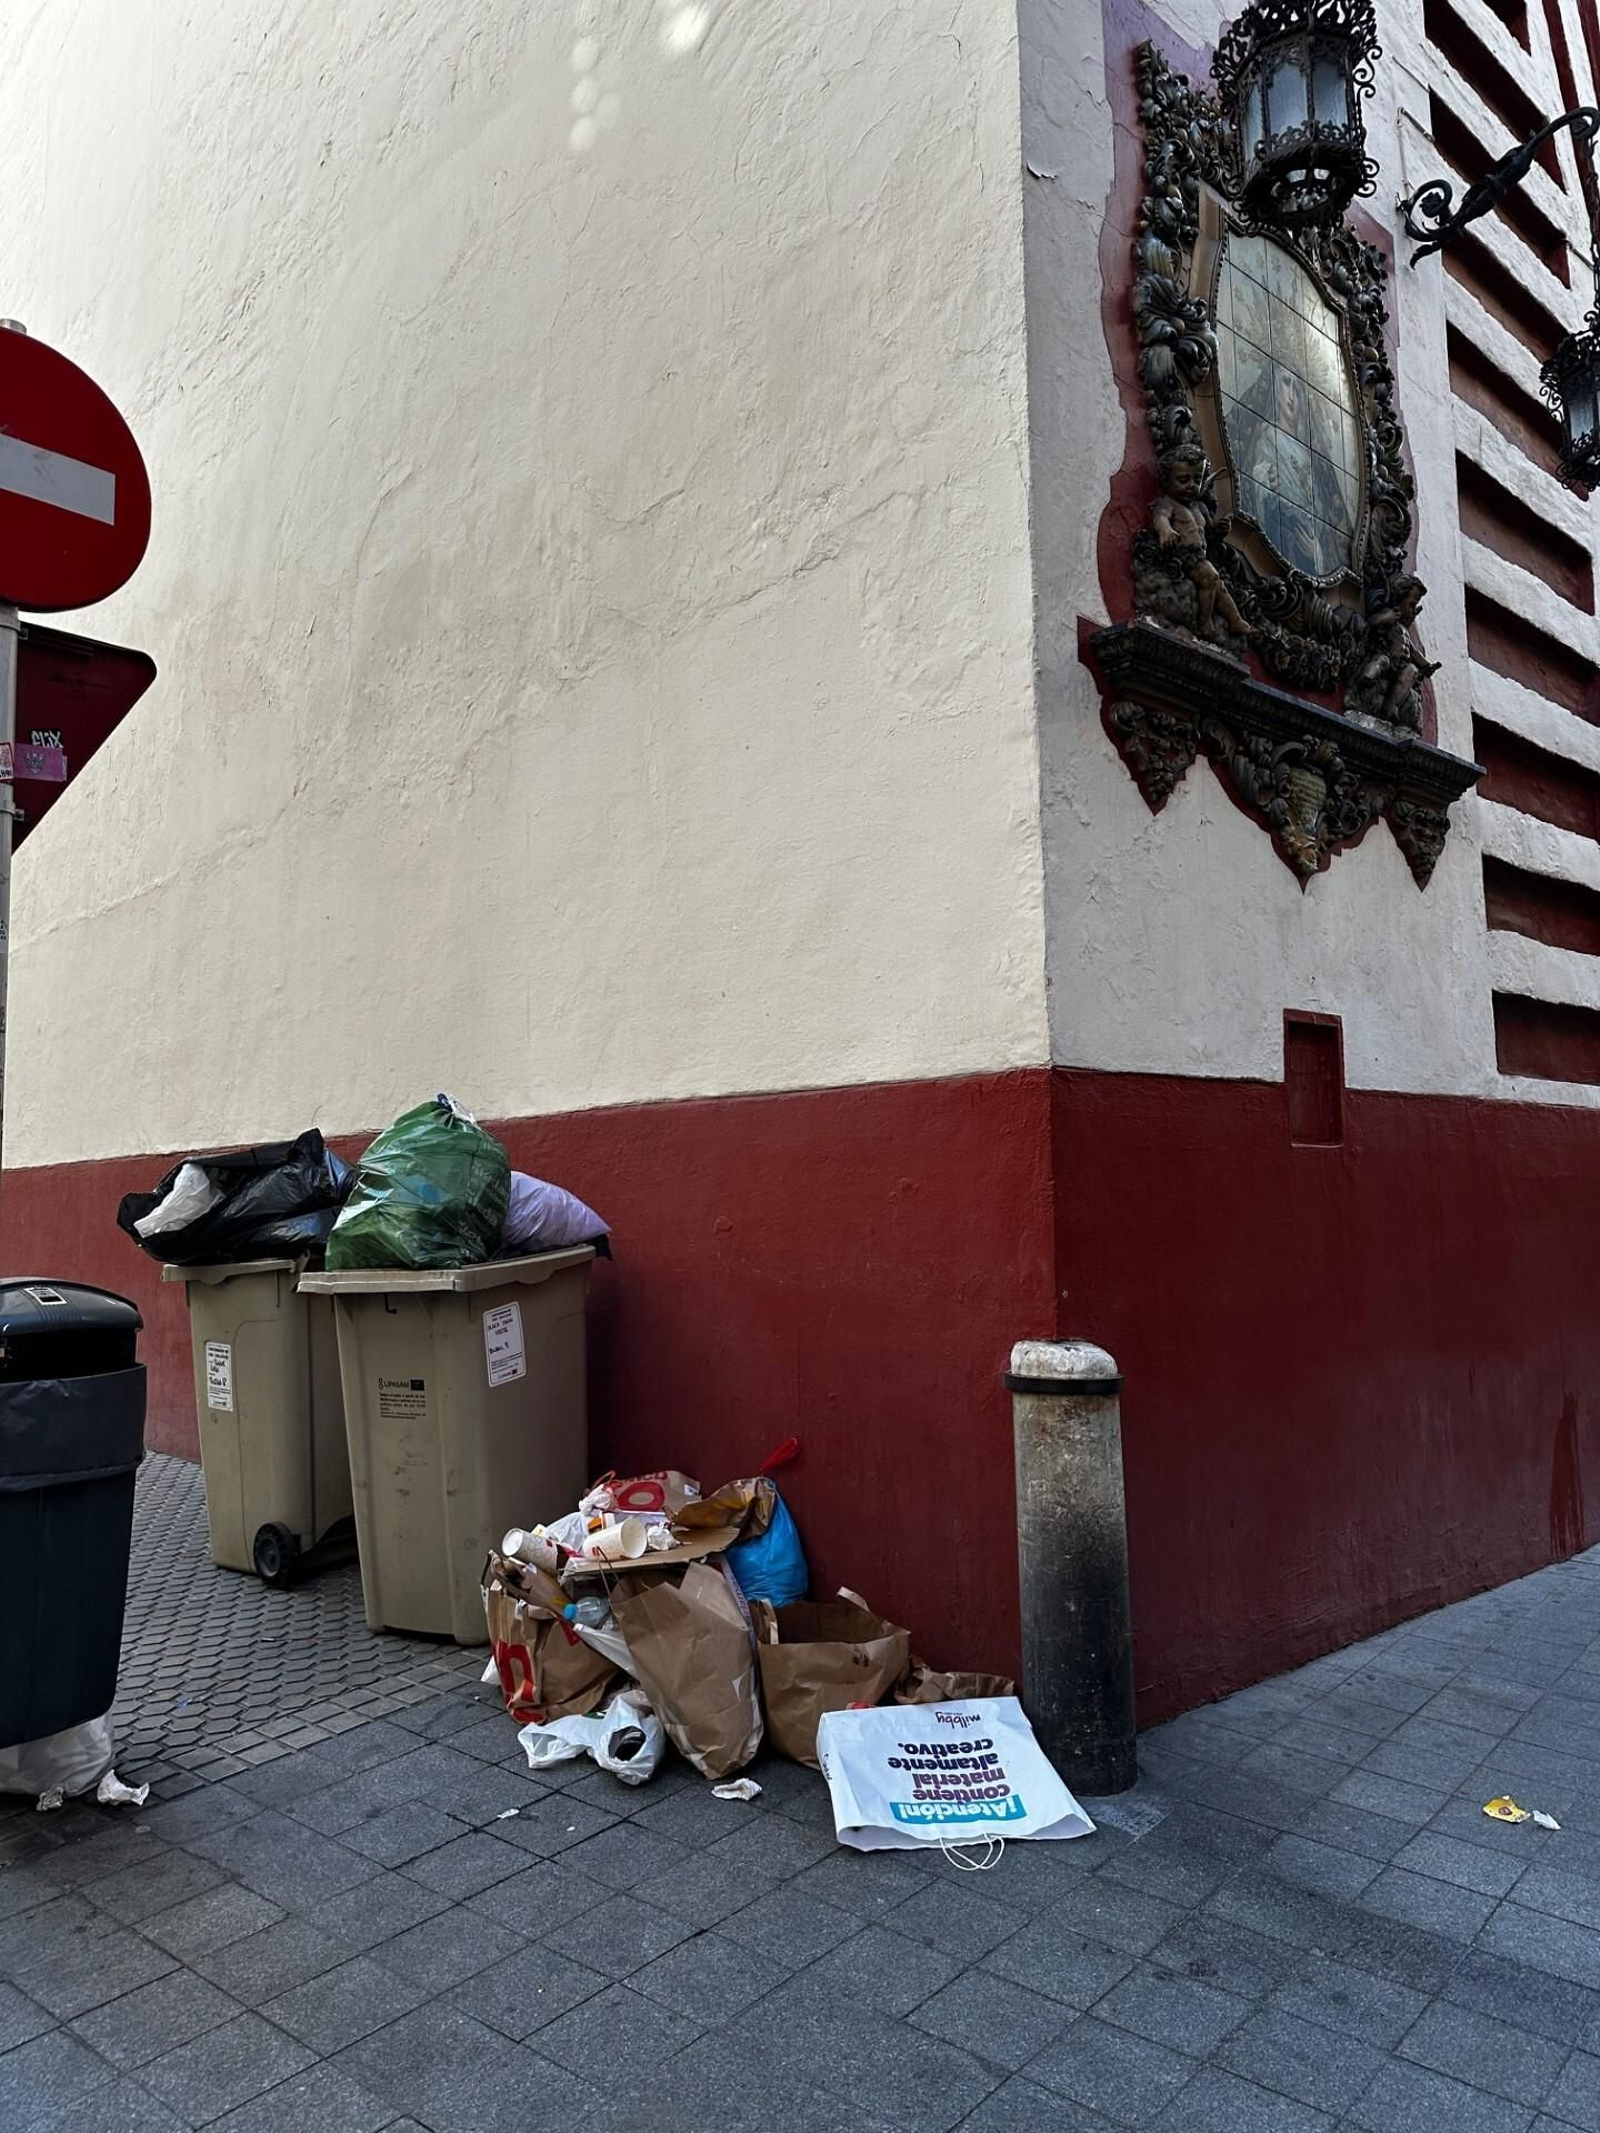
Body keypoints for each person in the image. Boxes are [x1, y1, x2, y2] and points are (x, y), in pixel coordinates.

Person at [1149, 443, 1254, 638]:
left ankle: (1235, 621)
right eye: (1183, 479)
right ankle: (1204, 622)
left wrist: (1220, 530)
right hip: (1184, 556)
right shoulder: (1169, 503)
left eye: (1197, 480)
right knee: (1212, 578)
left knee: (1220, 587)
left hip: (1201, 556)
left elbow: (1209, 532)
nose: (1191, 485)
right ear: (1167, 479)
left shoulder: (1200, 508)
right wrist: (1166, 531)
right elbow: (1160, 517)